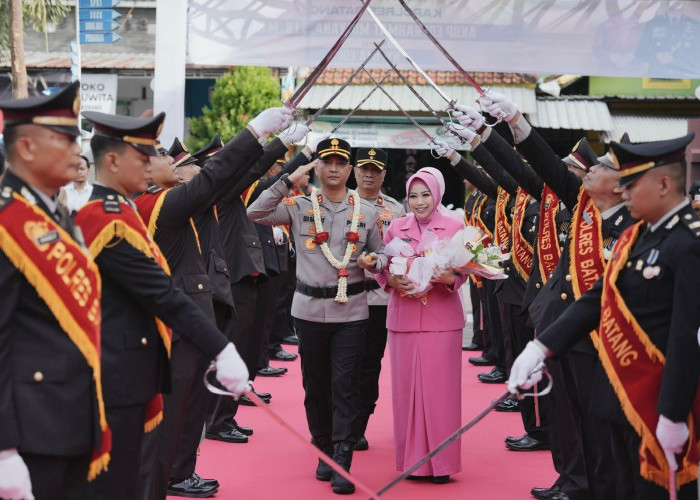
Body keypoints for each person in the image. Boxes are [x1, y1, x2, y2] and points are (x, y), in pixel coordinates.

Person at [509, 133, 700, 500]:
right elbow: (598, 297)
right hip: (616, 394)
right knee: (613, 482)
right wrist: (543, 347)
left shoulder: (689, 244)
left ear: (663, 184)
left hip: (657, 409)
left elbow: (684, 338)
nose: (624, 193)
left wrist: (674, 414)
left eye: (631, 183)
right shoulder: (640, 235)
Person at [74, 110, 252, 500]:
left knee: (145, 475)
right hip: (118, 373)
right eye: (143, 157)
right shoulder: (106, 220)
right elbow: (162, 292)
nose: (154, 165)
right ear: (113, 161)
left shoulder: (122, 211)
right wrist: (221, 348)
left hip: (136, 367)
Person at [247, 138, 387, 495]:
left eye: (342, 162)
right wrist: (288, 179)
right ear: (319, 168)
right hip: (308, 311)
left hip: (352, 312)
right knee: (316, 386)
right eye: (328, 162)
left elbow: (382, 254)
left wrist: (376, 262)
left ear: (349, 169)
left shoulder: (367, 212)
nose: (335, 168)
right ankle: (322, 445)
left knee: (345, 384)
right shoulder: (298, 206)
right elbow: (256, 213)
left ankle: (342, 455)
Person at [0, 81, 109, 500]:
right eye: (64, 140)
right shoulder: (9, 220)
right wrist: (4, 445)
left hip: (71, 419)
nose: (76, 152)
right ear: (26, 148)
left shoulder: (52, 213)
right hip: (30, 434)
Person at [373, 168, 467, 484]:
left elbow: (467, 270)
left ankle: (442, 464)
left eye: (425, 194)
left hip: (443, 321)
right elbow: (381, 267)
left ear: (437, 194)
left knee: (441, 394)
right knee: (406, 394)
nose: (419, 201)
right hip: (404, 320)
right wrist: (390, 280)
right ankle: (412, 461)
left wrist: (449, 277)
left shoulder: (455, 227)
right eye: (413, 195)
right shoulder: (396, 227)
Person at [352, 147, 405, 451]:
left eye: (376, 170)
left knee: (369, 365)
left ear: (384, 174)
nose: (369, 175)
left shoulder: (396, 211)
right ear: (354, 171)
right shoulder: (337, 202)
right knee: (343, 365)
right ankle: (338, 423)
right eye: (364, 168)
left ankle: (358, 424)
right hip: (344, 299)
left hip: (380, 301)